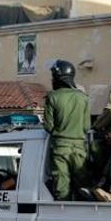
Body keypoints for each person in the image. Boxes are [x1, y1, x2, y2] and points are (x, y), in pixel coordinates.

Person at [44, 59, 91, 201]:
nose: (52, 79)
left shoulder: (53, 96)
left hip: (60, 149)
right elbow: (86, 127)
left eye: (53, 76)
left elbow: (48, 126)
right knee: (83, 187)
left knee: (62, 188)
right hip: (80, 149)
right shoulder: (83, 98)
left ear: (59, 77)